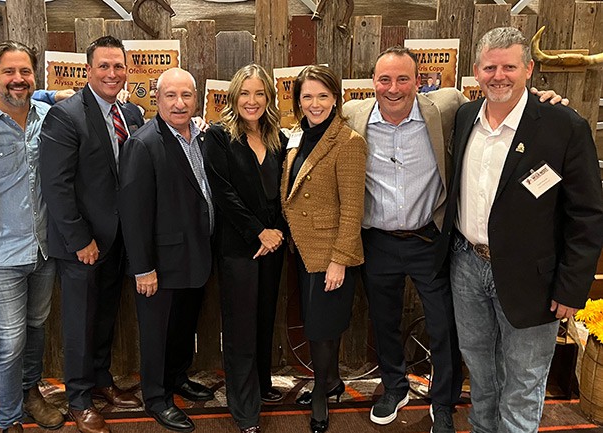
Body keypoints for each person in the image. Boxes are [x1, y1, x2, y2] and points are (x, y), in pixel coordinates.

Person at [343, 46, 568, 433]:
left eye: (402, 79)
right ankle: (394, 388)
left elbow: (507, 104)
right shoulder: (352, 115)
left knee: (444, 325)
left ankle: (442, 401)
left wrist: (546, 101)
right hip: (377, 240)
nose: (393, 88)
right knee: (383, 321)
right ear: (372, 83)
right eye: (384, 79)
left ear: (420, 81)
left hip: (429, 239)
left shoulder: (447, 107)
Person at [439, 27, 603, 433]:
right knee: (479, 370)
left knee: (524, 381)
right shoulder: (463, 117)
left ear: (528, 69)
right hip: (467, 266)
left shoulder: (564, 125)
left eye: (510, 66)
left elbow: (586, 214)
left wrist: (571, 288)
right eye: (491, 67)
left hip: (535, 278)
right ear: (477, 72)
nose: (500, 76)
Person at [39, 35, 144, 433]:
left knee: (104, 317)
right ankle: (79, 397)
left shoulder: (132, 113)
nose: (112, 73)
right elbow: (57, 185)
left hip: (119, 240)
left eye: (118, 66)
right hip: (82, 243)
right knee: (80, 322)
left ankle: (101, 380)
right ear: (88, 70)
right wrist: (80, 239)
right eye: (104, 66)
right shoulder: (66, 116)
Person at [0, 41, 66, 433]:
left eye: (25, 72)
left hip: (44, 247)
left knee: (37, 327)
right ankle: (8, 420)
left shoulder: (50, 117)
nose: (18, 80)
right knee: (8, 341)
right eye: (8, 72)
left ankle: (29, 393)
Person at [119, 67, 215, 433]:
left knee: (183, 327)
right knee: (157, 333)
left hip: (196, 254)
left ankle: (177, 378)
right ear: (157, 99)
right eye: (171, 96)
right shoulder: (143, 144)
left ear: (196, 98)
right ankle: (157, 397)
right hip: (161, 262)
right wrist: (143, 268)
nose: (179, 103)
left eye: (186, 96)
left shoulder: (201, 137)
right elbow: (133, 211)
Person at [281, 65, 367, 433]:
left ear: (336, 99)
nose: (314, 104)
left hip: (330, 251)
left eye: (322, 96)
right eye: (307, 96)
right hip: (301, 247)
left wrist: (339, 261)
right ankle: (330, 381)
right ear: (298, 100)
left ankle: (321, 391)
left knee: (321, 326)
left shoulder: (348, 141)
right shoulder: (298, 136)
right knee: (320, 321)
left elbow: (352, 208)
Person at [203, 64, 287, 433]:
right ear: (234, 97)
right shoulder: (219, 137)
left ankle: (262, 384)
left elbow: (284, 193)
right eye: (245, 94)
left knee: (265, 318)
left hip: (274, 244)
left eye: (259, 94)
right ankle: (244, 407)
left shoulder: (278, 138)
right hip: (239, 246)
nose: (251, 101)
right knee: (240, 327)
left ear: (268, 98)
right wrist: (259, 233)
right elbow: (224, 194)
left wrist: (278, 233)